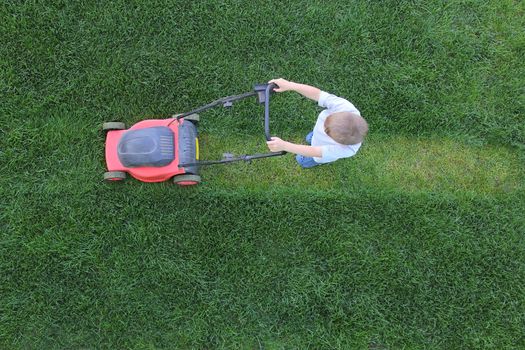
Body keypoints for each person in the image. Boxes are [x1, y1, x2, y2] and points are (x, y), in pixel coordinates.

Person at [266, 78, 368, 168]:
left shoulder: (346, 150)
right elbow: (318, 94)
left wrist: (285, 146)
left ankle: (312, 161)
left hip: (318, 153)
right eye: (328, 119)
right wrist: (291, 85)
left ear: (339, 142)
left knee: (301, 160)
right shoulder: (345, 107)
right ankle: (313, 138)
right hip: (316, 136)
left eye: (327, 132)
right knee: (310, 138)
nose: (323, 127)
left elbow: (315, 151)